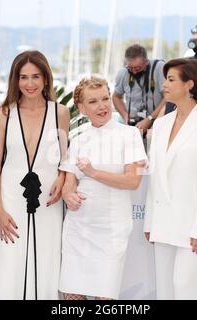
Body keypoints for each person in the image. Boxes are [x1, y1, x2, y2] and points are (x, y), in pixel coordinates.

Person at [0, 50, 69, 300]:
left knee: (47, 260)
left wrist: (62, 178)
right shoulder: (3, 114)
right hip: (10, 199)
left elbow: (65, 160)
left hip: (48, 200)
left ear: (46, 79)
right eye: (23, 77)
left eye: (35, 76)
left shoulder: (61, 112)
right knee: (10, 262)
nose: (30, 83)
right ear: (15, 80)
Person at [143, 58, 197, 299]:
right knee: (165, 291)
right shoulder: (161, 125)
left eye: (170, 80)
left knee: (186, 289)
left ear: (190, 84)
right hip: (162, 222)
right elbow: (155, 177)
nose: (163, 85)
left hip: (192, 227)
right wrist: (149, 221)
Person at [59, 76, 147, 300]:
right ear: (81, 108)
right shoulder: (78, 139)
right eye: (93, 101)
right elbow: (69, 181)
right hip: (78, 230)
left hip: (111, 231)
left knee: (104, 298)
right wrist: (69, 195)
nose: (102, 106)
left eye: (105, 99)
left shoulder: (130, 135)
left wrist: (94, 173)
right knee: (72, 296)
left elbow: (133, 181)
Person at [112, 44, 166, 131]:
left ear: (146, 62)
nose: (134, 72)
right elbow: (116, 97)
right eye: (130, 68)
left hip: (158, 123)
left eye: (137, 68)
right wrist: (125, 116)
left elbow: (168, 97)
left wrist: (150, 119)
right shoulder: (123, 73)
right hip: (134, 125)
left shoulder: (159, 67)